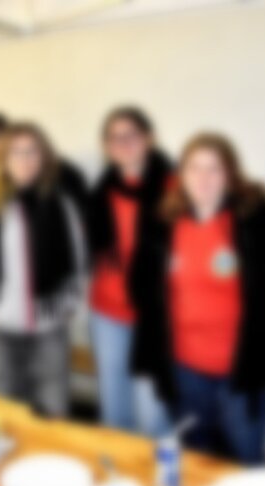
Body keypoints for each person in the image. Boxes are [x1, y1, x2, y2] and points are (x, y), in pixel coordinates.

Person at [130, 132, 265, 463]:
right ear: (181, 174)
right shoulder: (164, 221)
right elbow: (143, 288)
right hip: (184, 370)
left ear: (230, 174)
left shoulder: (254, 221)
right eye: (194, 168)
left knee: (246, 460)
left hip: (242, 373)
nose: (203, 178)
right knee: (198, 458)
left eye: (214, 169)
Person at [0, 123, 86, 417]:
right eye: (16, 152)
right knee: (3, 413)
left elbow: (78, 263)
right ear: (3, 159)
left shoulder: (62, 204)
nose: (25, 160)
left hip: (49, 327)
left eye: (32, 152)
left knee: (53, 412)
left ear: (44, 158)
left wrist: (69, 303)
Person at [87, 106, 173, 436]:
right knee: (114, 409)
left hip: (155, 318)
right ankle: (117, 467)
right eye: (114, 138)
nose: (123, 144)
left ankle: (155, 468)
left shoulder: (175, 188)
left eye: (131, 136)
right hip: (107, 313)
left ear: (149, 139)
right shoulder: (100, 191)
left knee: (152, 414)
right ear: (105, 146)